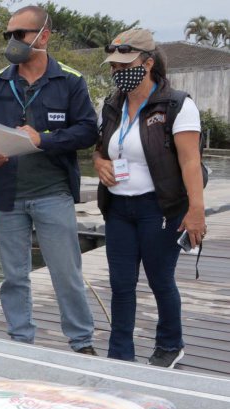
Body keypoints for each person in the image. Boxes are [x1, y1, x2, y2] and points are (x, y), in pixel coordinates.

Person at [0, 6, 98, 354]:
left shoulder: (71, 80)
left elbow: (88, 130)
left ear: (43, 36)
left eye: (19, 34)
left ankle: (82, 342)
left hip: (52, 192)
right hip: (6, 195)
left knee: (66, 274)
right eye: (8, 34)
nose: (12, 41)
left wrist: (44, 139)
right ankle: (20, 342)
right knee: (14, 277)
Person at [93, 29, 207, 368]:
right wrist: (99, 164)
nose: (117, 71)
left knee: (160, 280)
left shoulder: (177, 104)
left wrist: (196, 211)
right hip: (118, 208)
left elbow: (190, 162)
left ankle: (170, 345)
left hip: (159, 208)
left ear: (148, 63)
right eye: (113, 65)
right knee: (121, 285)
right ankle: (120, 354)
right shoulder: (111, 104)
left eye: (124, 64)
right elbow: (102, 151)